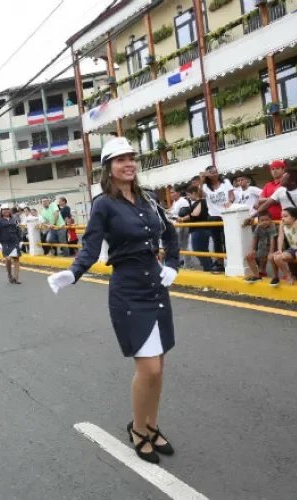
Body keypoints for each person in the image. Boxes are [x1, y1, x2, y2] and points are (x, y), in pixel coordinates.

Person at [47, 137, 180, 464]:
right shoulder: (103, 203)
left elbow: (170, 232)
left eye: (131, 158)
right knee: (147, 367)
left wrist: (173, 265)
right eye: (120, 159)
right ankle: (137, 429)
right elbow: (92, 246)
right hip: (128, 288)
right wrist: (74, 272)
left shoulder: (148, 198)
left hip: (155, 284)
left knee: (159, 367)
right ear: (108, 167)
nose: (128, 164)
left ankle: (151, 424)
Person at [244, 211, 278, 283]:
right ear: (258, 221)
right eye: (262, 220)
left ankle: (276, 277)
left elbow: (272, 240)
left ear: (270, 220)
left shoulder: (272, 226)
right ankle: (256, 276)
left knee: (271, 258)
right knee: (248, 256)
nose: (264, 222)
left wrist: (271, 252)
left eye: (266, 220)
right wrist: (252, 250)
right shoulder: (258, 227)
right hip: (262, 250)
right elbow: (255, 239)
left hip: (272, 250)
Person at [0, 203, 22, 284]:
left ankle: (16, 278)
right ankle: (10, 275)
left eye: (7, 209)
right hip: (5, 242)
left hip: (15, 241)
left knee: (16, 259)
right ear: (2, 211)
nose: (6, 211)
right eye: (4, 210)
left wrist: (20, 240)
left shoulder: (14, 220)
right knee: (8, 259)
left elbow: (18, 230)